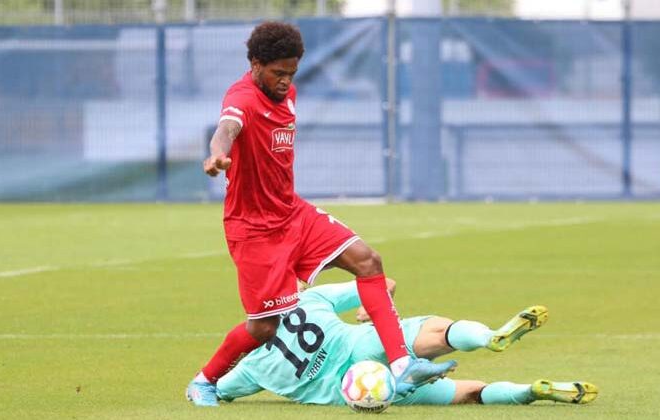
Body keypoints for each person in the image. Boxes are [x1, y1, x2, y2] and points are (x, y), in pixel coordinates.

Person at [187, 21, 448, 407]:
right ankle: (204, 382)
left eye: (292, 72)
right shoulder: (240, 97)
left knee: (368, 261)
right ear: (255, 63)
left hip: (292, 213)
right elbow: (227, 126)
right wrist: (217, 154)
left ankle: (401, 364)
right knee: (264, 327)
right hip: (255, 230)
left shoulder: (287, 91)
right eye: (278, 72)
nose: (285, 81)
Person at [214, 280, 599, 407]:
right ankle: (487, 336)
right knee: (433, 331)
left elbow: (220, 392)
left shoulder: (253, 366)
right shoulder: (309, 298)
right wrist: (373, 309)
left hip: (363, 392)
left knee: (468, 394)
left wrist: (215, 383)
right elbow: (383, 285)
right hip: (365, 344)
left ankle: (530, 392)